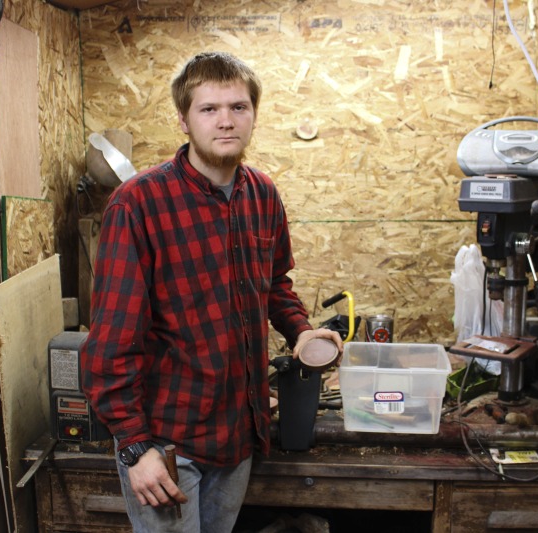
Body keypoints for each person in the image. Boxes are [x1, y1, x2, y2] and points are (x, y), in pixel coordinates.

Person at [80, 51, 343, 533]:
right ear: (183, 119)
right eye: (209, 109)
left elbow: (274, 285)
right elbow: (110, 346)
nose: (226, 121)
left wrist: (302, 332)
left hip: (238, 437)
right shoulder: (138, 204)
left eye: (238, 107)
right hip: (167, 446)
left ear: (254, 115)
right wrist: (135, 449)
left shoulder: (262, 194)